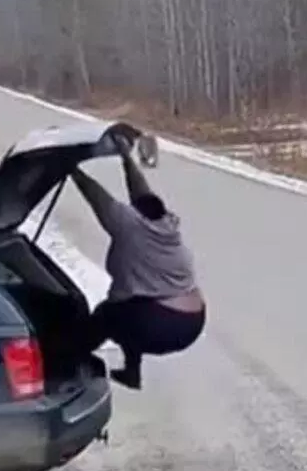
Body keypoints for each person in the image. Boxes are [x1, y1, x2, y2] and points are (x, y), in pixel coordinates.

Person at [71, 138, 206, 390]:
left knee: (109, 314)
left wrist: (73, 171)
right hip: (194, 320)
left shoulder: (129, 226)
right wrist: (125, 157)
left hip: (166, 323)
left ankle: (70, 359)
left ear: (136, 214)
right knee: (130, 308)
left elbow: (99, 199)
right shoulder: (165, 223)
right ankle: (131, 374)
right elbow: (142, 193)